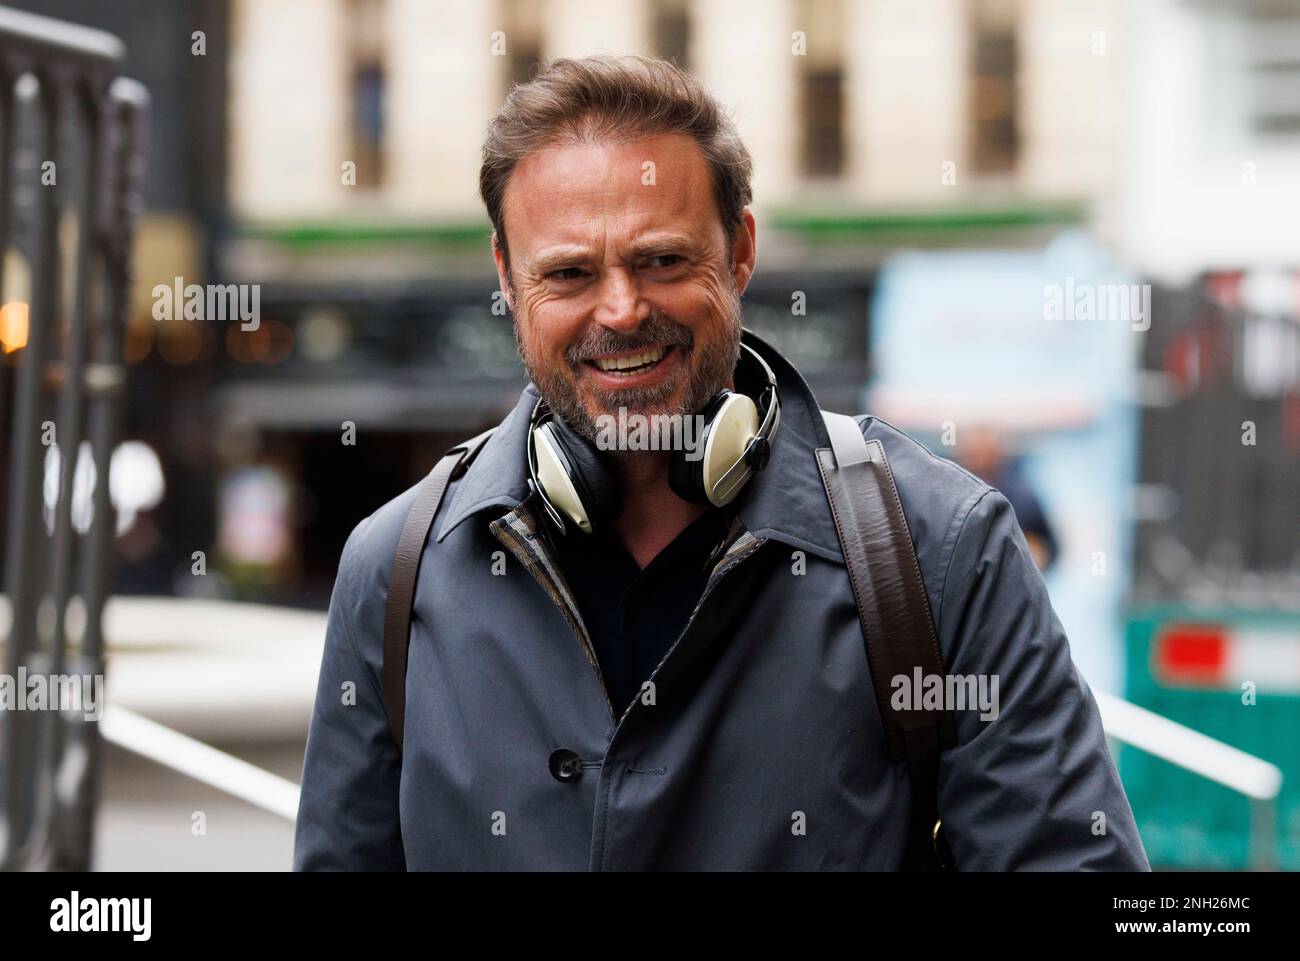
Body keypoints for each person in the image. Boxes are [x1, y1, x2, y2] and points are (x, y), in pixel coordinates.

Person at [293, 55, 1149, 871]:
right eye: (569, 273)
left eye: (662, 260)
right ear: (508, 280)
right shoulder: (394, 568)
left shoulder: (942, 548)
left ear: (740, 250)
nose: (622, 310)